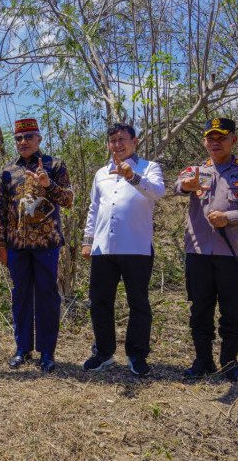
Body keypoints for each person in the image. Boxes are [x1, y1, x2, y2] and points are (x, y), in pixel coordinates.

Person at [175, 118, 238, 381]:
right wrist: (187, 185)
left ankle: (230, 362)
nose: (215, 142)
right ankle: (203, 361)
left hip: (235, 254)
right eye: (210, 138)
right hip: (199, 253)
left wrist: (230, 217)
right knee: (200, 309)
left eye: (221, 137)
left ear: (233, 140)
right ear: (204, 142)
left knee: (233, 311)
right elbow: (178, 187)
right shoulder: (194, 170)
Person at [81, 123, 165, 376]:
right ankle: (104, 352)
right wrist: (88, 240)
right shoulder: (101, 173)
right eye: (113, 140)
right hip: (103, 248)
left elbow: (158, 193)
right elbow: (94, 208)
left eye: (122, 139)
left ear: (135, 141)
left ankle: (137, 355)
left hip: (136, 247)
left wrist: (133, 177)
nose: (117, 144)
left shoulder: (149, 168)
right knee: (99, 302)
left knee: (138, 303)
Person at [0, 118, 73, 372]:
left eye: (28, 137)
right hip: (16, 245)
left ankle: (47, 352)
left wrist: (48, 184)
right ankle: (22, 349)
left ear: (39, 138)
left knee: (48, 297)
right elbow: (1, 211)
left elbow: (68, 200)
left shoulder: (55, 165)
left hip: (46, 244)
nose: (23, 142)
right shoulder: (7, 171)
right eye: (18, 138)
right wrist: (1, 245)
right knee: (20, 296)